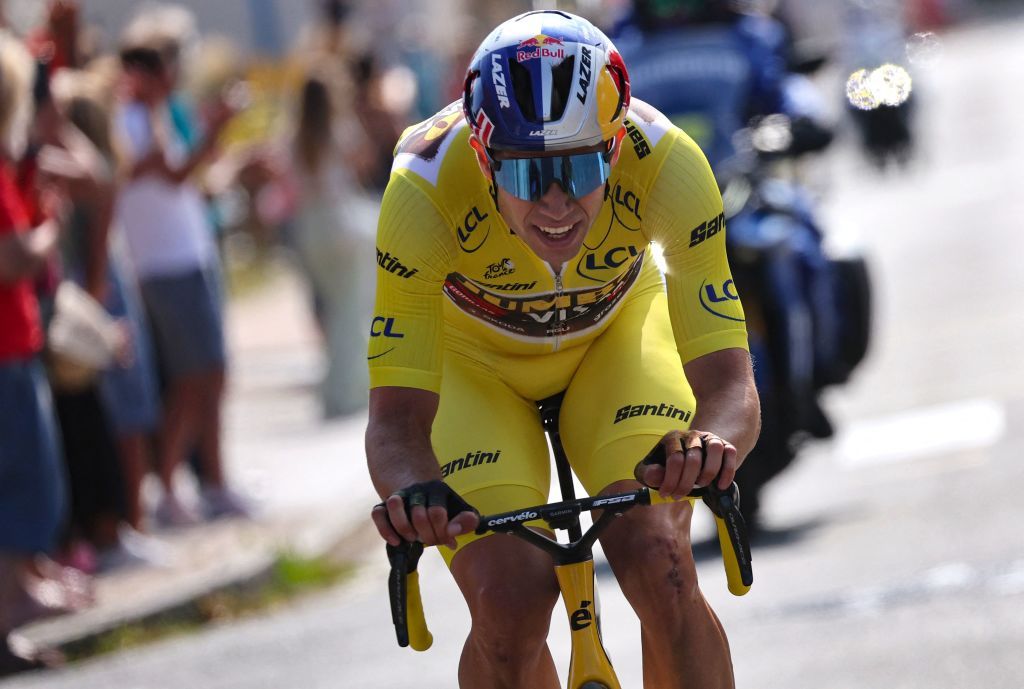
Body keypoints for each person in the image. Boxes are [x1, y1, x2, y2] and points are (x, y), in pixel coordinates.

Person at [366, 11, 759, 689]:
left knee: (658, 557)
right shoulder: (420, 192)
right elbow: (396, 423)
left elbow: (729, 383)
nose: (556, 203)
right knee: (506, 601)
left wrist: (710, 443)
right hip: (473, 367)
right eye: (526, 177)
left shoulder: (666, 162)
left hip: (614, 338)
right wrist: (413, 492)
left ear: (613, 147)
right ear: (485, 160)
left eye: (579, 168)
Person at [113, 36, 242, 525]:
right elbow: (174, 172)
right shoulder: (130, 119)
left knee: (212, 374)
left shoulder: (159, 114)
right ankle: (169, 488)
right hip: (163, 266)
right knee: (191, 381)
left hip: (188, 257)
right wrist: (215, 130)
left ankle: (213, 483)